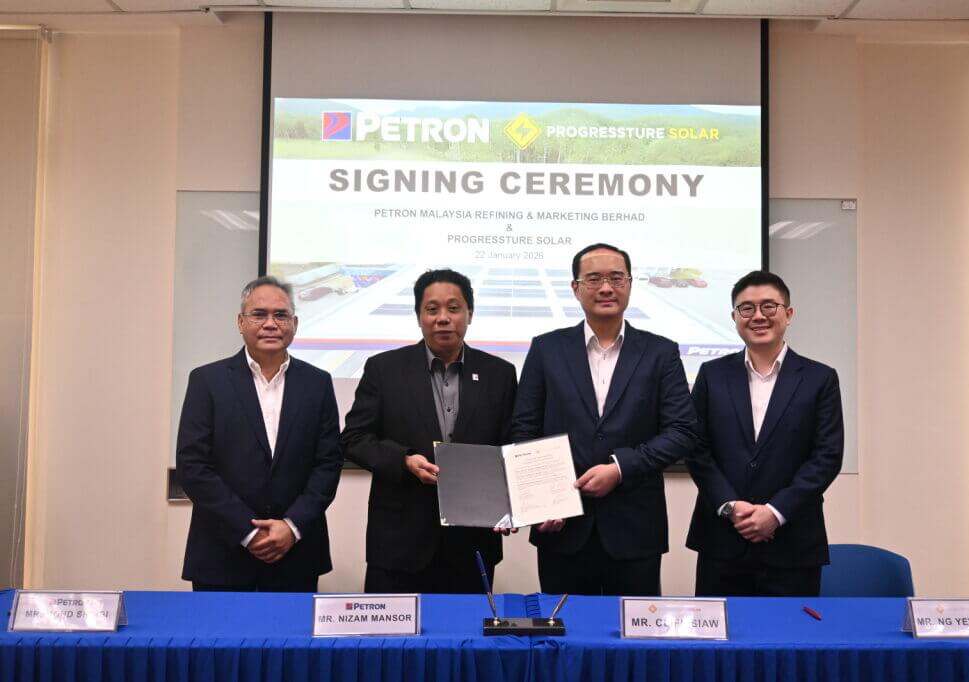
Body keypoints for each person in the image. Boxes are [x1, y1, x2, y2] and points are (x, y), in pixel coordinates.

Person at [510, 243, 701, 596]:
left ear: (630, 283)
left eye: (616, 278)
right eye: (594, 278)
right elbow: (525, 428)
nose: (606, 288)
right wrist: (542, 498)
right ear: (575, 287)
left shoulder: (661, 352)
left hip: (635, 528)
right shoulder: (546, 349)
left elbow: (682, 431)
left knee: (632, 629)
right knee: (564, 627)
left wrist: (620, 467)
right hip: (561, 526)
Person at [341, 269, 518, 593]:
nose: (443, 318)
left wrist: (513, 503)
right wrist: (404, 460)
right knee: (391, 628)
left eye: (454, 308)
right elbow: (354, 439)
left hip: (472, 543)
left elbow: (512, 448)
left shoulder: (500, 374)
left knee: (465, 627)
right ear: (419, 316)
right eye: (432, 309)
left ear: (470, 314)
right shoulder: (384, 369)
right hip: (398, 544)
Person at [176, 276, 343, 592]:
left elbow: (328, 464)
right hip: (221, 552)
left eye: (280, 315)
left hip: (296, 553)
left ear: (294, 324)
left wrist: (291, 527)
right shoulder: (207, 381)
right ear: (241, 322)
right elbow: (193, 467)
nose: (270, 324)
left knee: (290, 628)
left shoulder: (317, 383)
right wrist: (248, 531)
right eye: (259, 314)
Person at [684, 270, 843, 597]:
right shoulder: (712, 375)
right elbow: (696, 448)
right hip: (722, 542)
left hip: (792, 544)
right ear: (734, 317)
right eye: (747, 308)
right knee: (721, 632)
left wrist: (775, 512)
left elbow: (826, 457)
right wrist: (730, 506)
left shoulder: (820, 379)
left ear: (789, 313)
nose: (758, 316)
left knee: (791, 631)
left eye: (769, 306)